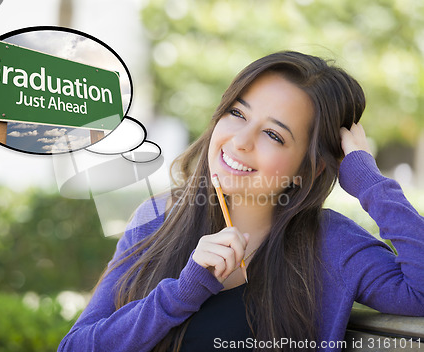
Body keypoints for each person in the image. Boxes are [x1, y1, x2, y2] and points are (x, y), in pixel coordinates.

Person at [57, 51, 424, 352]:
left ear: (311, 169)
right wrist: (182, 293)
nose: (240, 141)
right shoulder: (156, 217)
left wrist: (369, 182)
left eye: (272, 134)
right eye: (237, 113)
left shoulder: (331, 244)